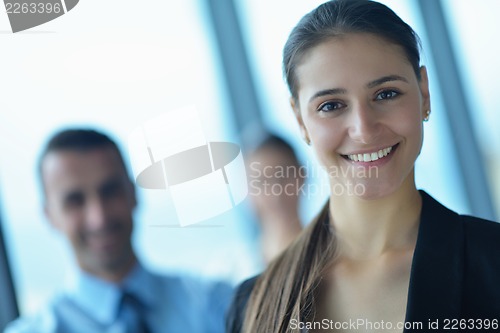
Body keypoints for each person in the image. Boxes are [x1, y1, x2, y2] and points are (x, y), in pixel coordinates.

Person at [226, 1, 500, 332]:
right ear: (300, 120)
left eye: (386, 94)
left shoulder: (493, 263)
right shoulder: (253, 304)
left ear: (424, 93)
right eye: (331, 105)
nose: (364, 129)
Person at [5, 128, 233, 333]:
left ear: (133, 194)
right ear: (49, 216)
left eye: (110, 191)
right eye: (75, 201)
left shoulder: (217, 304)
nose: (99, 218)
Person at [246, 134, 304, 264]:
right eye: (261, 182)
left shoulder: (331, 255)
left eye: (283, 176)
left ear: (302, 176)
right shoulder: (234, 269)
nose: (275, 192)